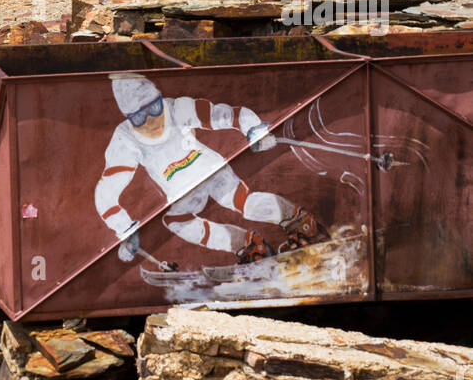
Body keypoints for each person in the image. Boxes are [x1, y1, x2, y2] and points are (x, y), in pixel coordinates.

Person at [94, 74, 328, 267]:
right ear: (128, 118)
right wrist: (124, 228)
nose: (151, 121)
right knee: (176, 221)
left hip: (209, 171)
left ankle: (301, 223)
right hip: (181, 190)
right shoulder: (125, 139)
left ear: (160, 100)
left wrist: (254, 129)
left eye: (154, 108)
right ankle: (248, 245)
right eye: (139, 117)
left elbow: (228, 115)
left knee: (243, 203)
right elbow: (106, 193)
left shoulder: (177, 109)